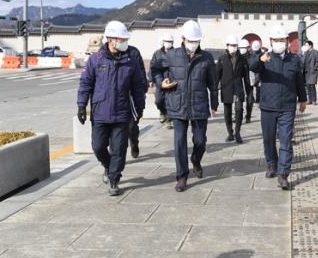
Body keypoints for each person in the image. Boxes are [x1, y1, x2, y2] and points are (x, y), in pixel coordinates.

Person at [77, 21, 146, 196]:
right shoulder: (95, 59)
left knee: (119, 149)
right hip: (100, 112)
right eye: (122, 38)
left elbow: (138, 85)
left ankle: (114, 178)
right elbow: (85, 83)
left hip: (122, 113)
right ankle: (108, 166)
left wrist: (140, 106)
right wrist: (81, 105)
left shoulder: (131, 61)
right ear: (111, 40)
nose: (125, 41)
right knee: (98, 147)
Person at [150, 20, 218, 192]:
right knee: (179, 142)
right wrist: (161, 83)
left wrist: (214, 104)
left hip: (199, 104)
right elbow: (154, 70)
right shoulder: (171, 55)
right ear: (183, 38)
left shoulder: (207, 57)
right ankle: (181, 176)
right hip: (177, 104)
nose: (194, 43)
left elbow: (213, 83)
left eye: (197, 41)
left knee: (200, 140)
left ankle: (196, 160)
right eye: (191, 40)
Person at [250, 25, 307, 190]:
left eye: (282, 40)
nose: (279, 43)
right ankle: (271, 163)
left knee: (286, 141)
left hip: (287, 107)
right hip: (268, 106)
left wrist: (302, 100)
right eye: (276, 40)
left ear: (287, 42)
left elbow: (299, 82)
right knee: (268, 139)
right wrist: (259, 60)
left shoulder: (295, 59)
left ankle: (283, 173)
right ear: (271, 42)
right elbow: (252, 68)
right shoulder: (264, 57)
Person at [217, 35, 251, 144]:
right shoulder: (222, 59)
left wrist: (249, 94)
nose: (233, 47)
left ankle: (237, 132)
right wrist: (213, 90)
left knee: (239, 109)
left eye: (235, 45)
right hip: (226, 88)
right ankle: (230, 133)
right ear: (227, 46)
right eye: (231, 45)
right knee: (227, 112)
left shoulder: (243, 59)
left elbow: (246, 77)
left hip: (238, 88)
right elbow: (217, 75)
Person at [148, 33, 174, 129]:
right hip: (160, 81)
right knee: (158, 101)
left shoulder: (176, 53)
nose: (168, 43)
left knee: (170, 102)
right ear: (163, 42)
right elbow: (152, 67)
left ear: (173, 42)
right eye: (166, 41)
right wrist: (151, 80)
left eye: (170, 41)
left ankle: (168, 121)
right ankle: (163, 112)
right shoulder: (157, 53)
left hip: (172, 82)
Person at [239, 39, 256, 123]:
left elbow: (256, 69)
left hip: (249, 80)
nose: (242, 49)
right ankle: (238, 116)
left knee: (249, 100)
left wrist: (256, 80)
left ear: (248, 47)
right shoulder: (237, 56)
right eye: (241, 47)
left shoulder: (252, 57)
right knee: (238, 100)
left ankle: (248, 116)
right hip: (238, 81)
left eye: (244, 47)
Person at [303, 40, 318, 105]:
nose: (306, 46)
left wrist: (314, 68)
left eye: (306, 45)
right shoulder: (305, 53)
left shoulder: (316, 52)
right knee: (308, 86)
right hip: (306, 72)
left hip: (312, 72)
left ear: (310, 46)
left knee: (312, 86)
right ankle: (309, 100)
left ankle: (314, 100)